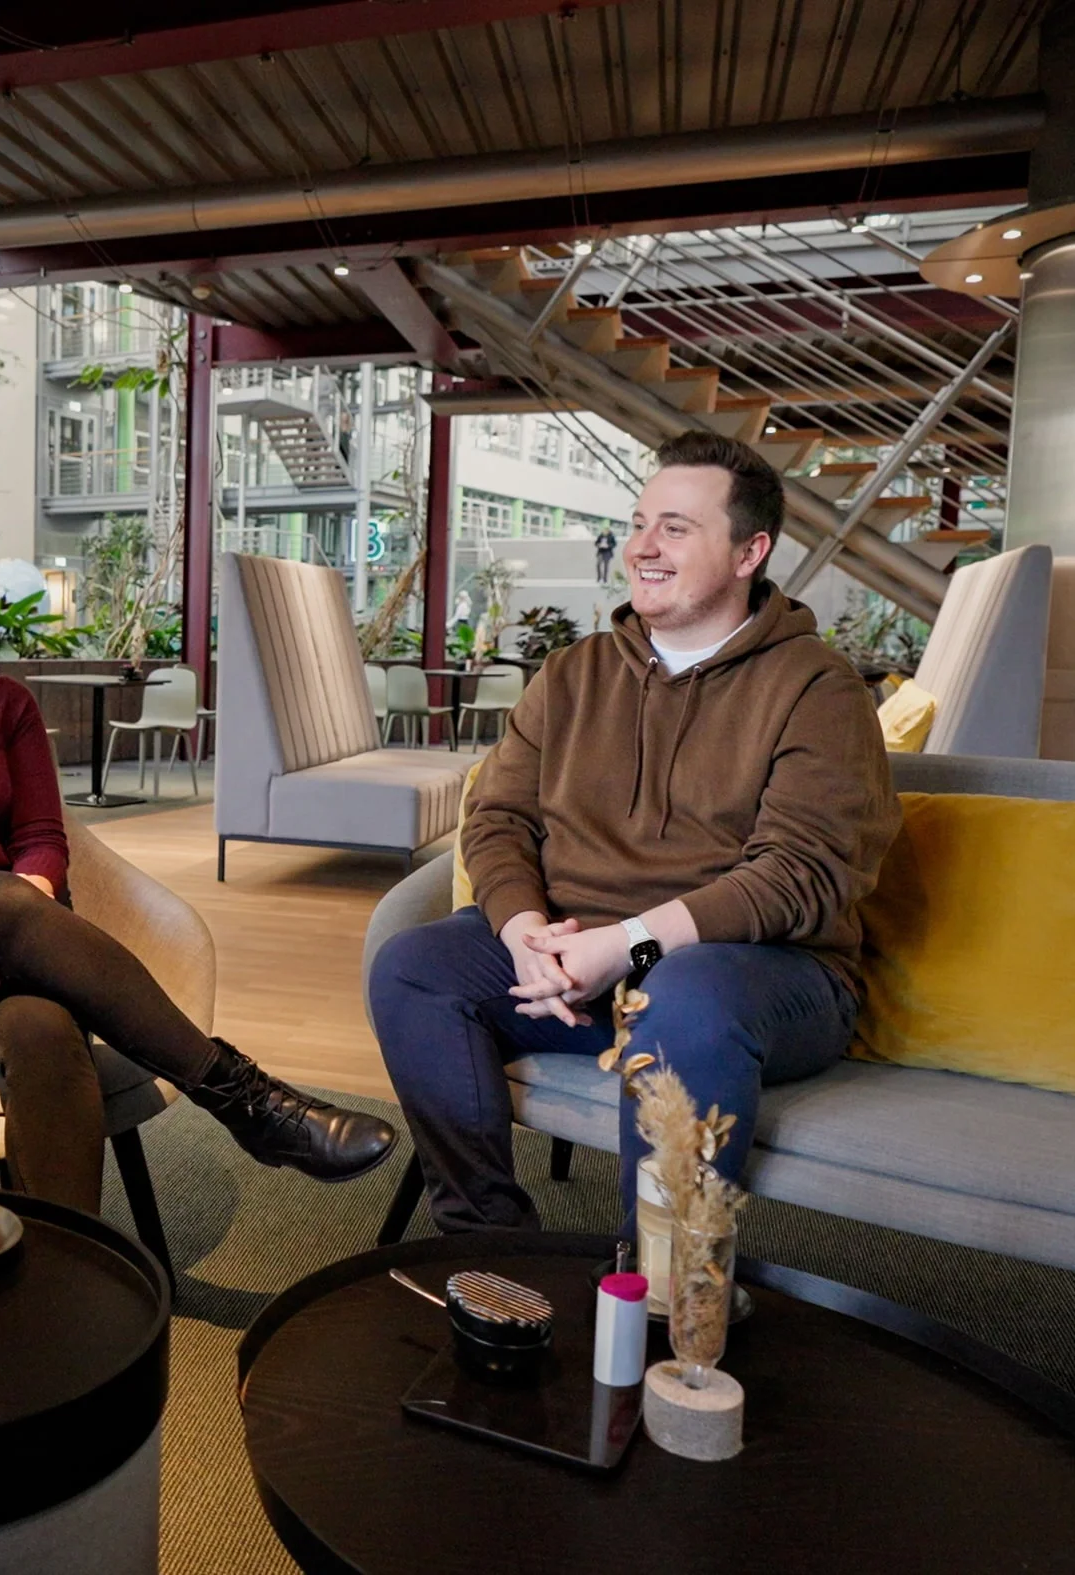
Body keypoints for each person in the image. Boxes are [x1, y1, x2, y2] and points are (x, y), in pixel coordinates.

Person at [0, 508, 396, 1214]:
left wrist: (23, 900)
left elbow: (42, 836)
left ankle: (66, 1275)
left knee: (46, 1032)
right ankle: (245, 1098)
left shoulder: (4, 707)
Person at [367, 431, 898, 1234]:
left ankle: (657, 1293)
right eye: (641, 521)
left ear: (751, 550)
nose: (644, 547)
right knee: (414, 965)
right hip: (579, 959)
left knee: (678, 998)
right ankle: (493, 1245)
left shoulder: (818, 689)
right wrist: (525, 933)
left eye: (677, 528)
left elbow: (799, 876)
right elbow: (499, 818)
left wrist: (627, 948)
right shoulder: (573, 674)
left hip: (752, 976)